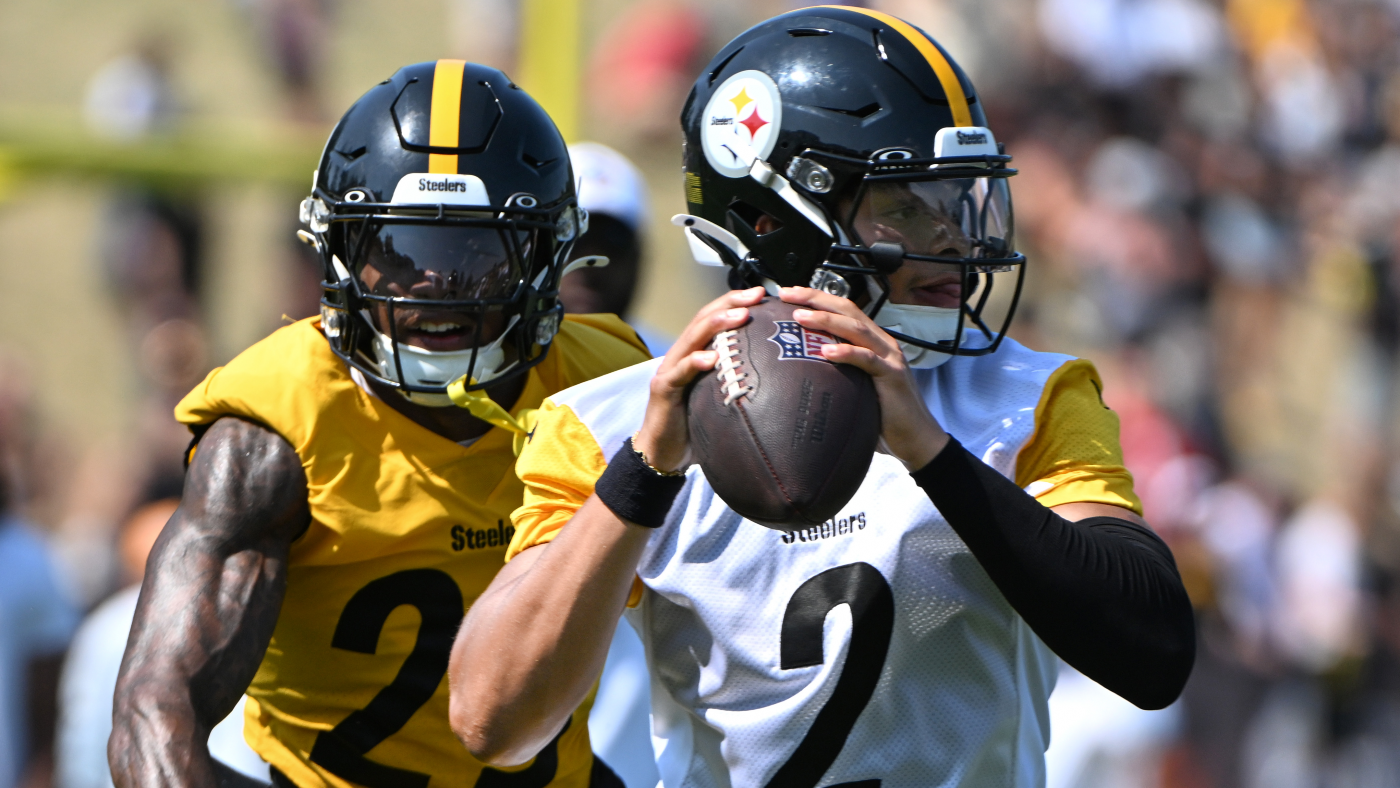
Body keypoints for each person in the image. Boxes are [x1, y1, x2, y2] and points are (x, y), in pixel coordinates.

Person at [447, 8, 1196, 788]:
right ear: (774, 223)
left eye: (956, 199)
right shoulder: (611, 425)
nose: (952, 239)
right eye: (905, 205)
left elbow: (1153, 654)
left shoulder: (1027, 398)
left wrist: (934, 457)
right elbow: (492, 721)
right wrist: (641, 476)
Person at [109, 60, 650, 788]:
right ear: (336, 251)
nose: (434, 287)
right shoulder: (278, 432)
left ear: (548, 258)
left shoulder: (608, 385)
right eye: (397, 253)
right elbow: (155, 711)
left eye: (476, 257)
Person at [562, 142, 673, 356]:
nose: (591, 260)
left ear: (640, 259)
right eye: (572, 239)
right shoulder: (492, 374)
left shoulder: (672, 373)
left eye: (614, 240)